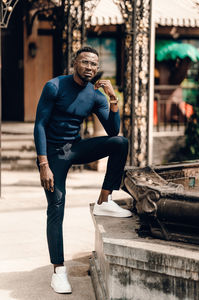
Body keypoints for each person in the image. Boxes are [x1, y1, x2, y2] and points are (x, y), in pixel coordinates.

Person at [34, 46, 132, 294]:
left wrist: (112, 98)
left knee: (120, 144)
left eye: (94, 64)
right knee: (56, 207)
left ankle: (104, 199)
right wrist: (43, 164)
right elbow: (40, 125)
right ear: (75, 62)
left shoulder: (95, 95)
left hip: (74, 148)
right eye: (85, 62)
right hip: (54, 155)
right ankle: (58, 270)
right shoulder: (54, 86)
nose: (90, 67)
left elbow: (112, 131)